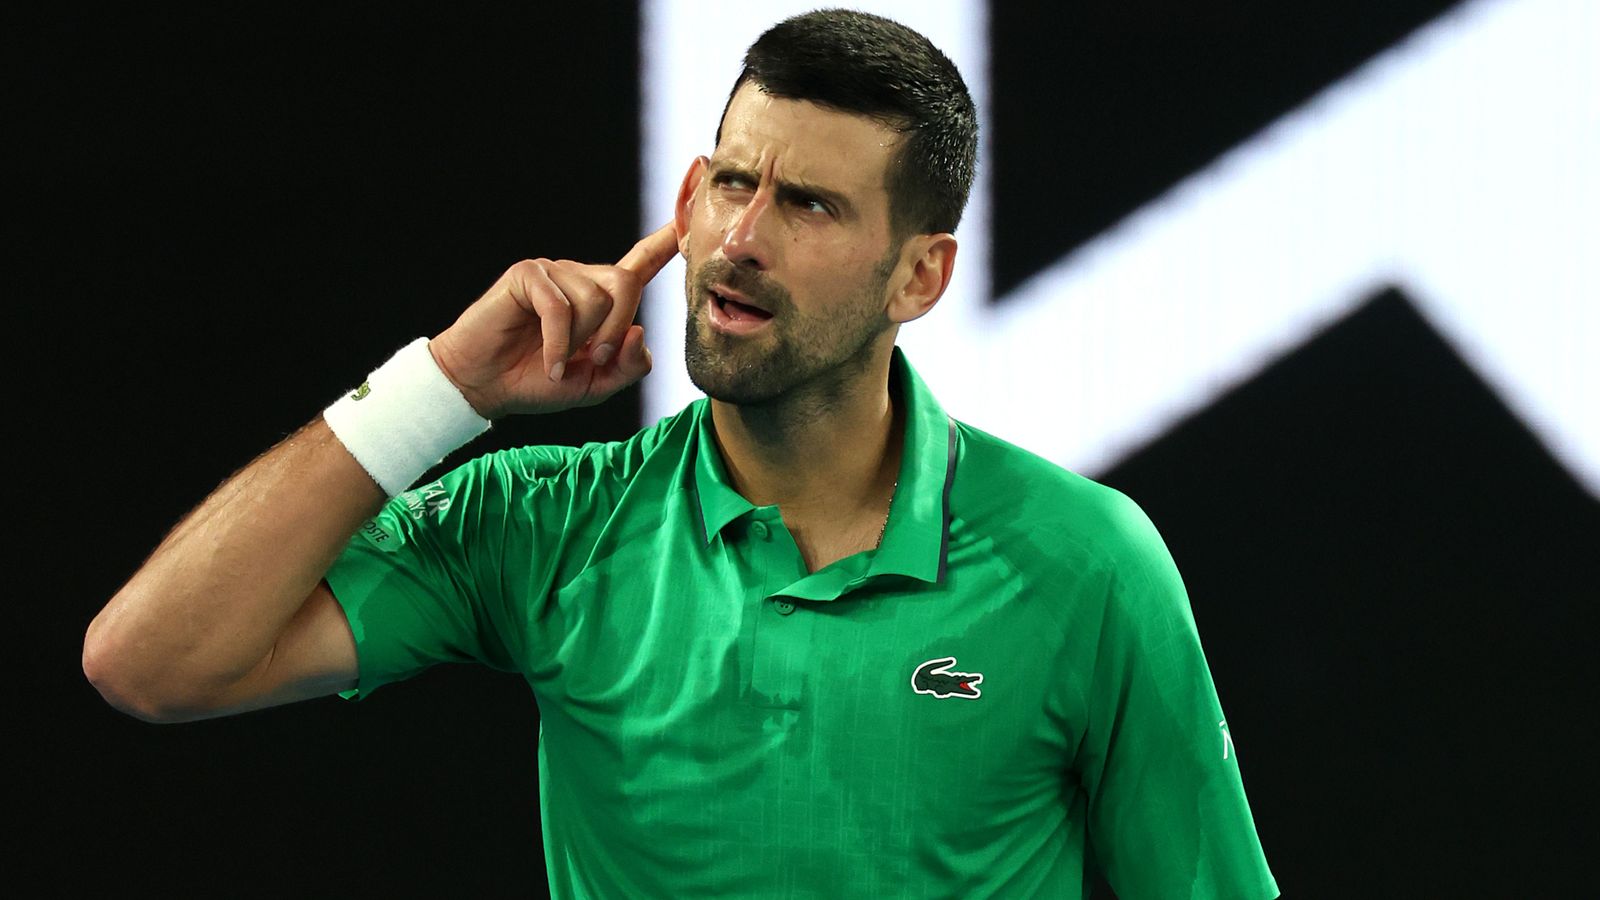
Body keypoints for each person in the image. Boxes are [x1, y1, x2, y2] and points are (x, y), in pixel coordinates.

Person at [84, 9, 1277, 899]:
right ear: (693, 192)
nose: (741, 241)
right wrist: (440, 387)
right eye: (733, 185)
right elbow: (152, 664)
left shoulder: (1087, 562)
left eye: (809, 205)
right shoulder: (543, 521)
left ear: (919, 273)